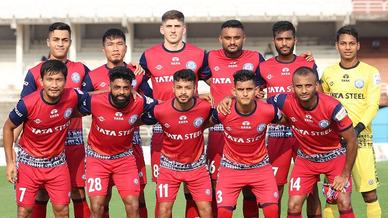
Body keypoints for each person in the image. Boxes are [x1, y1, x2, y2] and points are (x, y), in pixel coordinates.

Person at [139, 9, 210, 218]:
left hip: (191, 130)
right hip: (162, 130)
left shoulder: (198, 54)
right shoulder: (149, 55)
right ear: (162, 29)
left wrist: (211, 97)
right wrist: (154, 102)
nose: (173, 30)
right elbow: (140, 83)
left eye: (177, 26)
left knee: (193, 192)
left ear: (184, 29)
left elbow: (214, 81)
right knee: (163, 198)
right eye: (169, 26)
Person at [19, 22, 90, 218]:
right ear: (48, 42)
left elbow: (96, 95)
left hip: (73, 141)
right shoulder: (35, 72)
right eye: (56, 39)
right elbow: (22, 110)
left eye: (65, 40)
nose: (60, 44)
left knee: (78, 191)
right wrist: (17, 150)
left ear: (70, 42)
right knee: (40, 194)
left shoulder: (81, 69)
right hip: (43, 146)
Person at [268, 67, 358, 218]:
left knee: (344, 202)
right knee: (293, 205)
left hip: (334, 157)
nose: (303, 90)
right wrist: (230, 99)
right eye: (299, 86)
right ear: (292, 88)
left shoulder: (332, 106)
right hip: (306, 160)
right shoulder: (283, 100)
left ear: (316, 85)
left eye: (308, 85)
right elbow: (257, 104)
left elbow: (352, 141)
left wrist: (345, 174)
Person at [3, 60, 87, 218]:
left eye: (59, 80)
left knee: (62, 210)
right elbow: (8, 127)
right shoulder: (27, 104)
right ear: (41, 81)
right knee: (24, 212)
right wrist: (10, 162)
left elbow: (94, 97)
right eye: (50, 79)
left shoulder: (73, 95)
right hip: (29, 165)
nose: (54, 85)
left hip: (57, 165)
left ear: (65, 81)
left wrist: (118, 91)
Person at [82, 28, 151, 218]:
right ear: (103, 49)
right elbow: (80, 100)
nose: (115, 49)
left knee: (138, 197)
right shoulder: (93, 76)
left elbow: (151, 104)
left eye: (119, 44)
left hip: (130, 144)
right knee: (101, 200)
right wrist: (104, 94)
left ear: (126, 48)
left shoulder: (137, 73)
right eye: (110, 45)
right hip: (101, 148)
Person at [256, 21, 321, 217]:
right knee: (275, 189)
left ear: (295, 40)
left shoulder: (307, 63)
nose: (284, 43)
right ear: (274, 41)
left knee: (310, 190)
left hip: (303, 134)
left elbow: (319, 95)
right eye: (280, 39)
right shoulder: (264, 67)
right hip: (276, 135)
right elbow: (256, 96)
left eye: (288, 39)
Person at [204, 19, 265, 217]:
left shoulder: (256, 58)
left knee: (249, 187)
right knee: (215, 184)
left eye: (237, 38)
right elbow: (183, 80)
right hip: (218, 131)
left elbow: (272, 77)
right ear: (220, 39)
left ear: (243, 38)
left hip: (246, 132)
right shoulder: (210, 57)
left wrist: (304, 59)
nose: (232, 42)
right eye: (228, 38)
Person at [321, 25, 382, 218]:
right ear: (337, 46)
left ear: (358, 46)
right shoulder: (328, 73)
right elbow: (323, 104)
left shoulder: (370, 72)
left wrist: (356, 130)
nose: (347, 47)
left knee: (370, 195)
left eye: (351, 43)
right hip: (334, 144)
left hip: (361, 140)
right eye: (343, 43)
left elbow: (372, 106)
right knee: (331, 195)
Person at [142, 69, 213, 218]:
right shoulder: (160, 110)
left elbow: (227, 113)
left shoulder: (205, 107)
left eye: (187, 88)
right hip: (169, 167)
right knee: (163, 210)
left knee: (206, 210)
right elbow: (135, 119)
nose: (183, 92)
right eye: (179, 87)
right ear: (173, 88)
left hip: (197, 167)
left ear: (195, 89)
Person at [212, 70, 280, 218]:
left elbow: (290, 121)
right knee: (223, 212)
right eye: (241, 90)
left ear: (256, 91)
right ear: (234, 91)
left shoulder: (268, 111)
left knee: (272, 210)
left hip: (260, 167)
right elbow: (199, 124)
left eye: (249, 89)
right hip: (231, 168)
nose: (244, 94)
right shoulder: (223, 111)